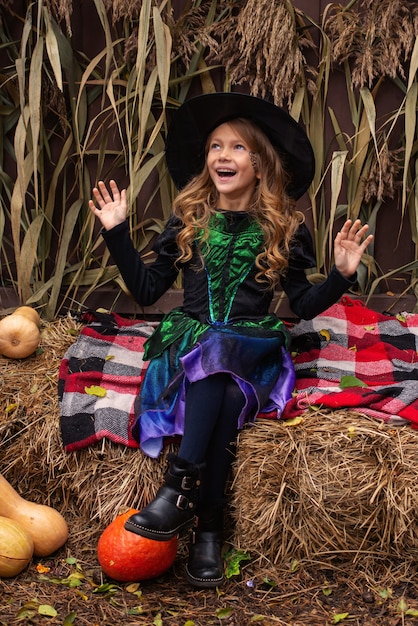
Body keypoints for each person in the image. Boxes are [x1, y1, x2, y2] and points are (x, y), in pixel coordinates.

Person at [89, 92, 373, 589]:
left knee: (221, 353)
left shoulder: (281, 229)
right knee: (215, 377)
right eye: (215, 146)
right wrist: (116, 233)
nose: (222, 155)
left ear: (260, 165)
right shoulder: (189, 222)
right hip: (193, 343)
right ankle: (210, 532)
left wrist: (342, 276)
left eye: (237, 147)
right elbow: (149, 289)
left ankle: (176, 490)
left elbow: (303, 305)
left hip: (252, 345)